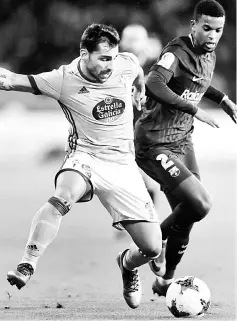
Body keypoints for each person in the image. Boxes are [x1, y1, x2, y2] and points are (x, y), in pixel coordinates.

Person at [0, 23, 163, 309]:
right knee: (63, 196)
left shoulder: (125, 63)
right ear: (84, 53)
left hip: (124, 165)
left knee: (151, 247)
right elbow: (11, 79)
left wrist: (138, 90)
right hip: (85, 157)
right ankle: (28, 262)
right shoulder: (63, 79)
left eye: (112, 57)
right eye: (103, 58)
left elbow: (135, 69)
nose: (109, 65)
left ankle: (127, 264)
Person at [134, 0, 237, 297]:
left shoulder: (210, 54)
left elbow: (197, 82)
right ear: (193, 25)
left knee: (189, 211)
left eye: (218, 29)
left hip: (182, 141)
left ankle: (165, 280)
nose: (213, 35)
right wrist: (195, 110)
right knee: (200, 204)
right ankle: (145, 246)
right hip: (155, 142)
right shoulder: (176, 53)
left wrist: (221, 99)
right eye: (206, 28)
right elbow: (155, 83)